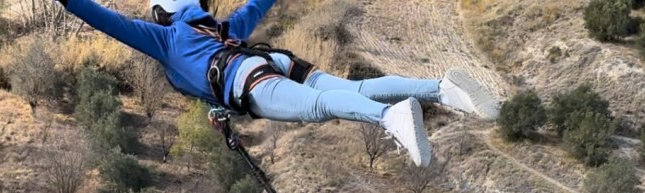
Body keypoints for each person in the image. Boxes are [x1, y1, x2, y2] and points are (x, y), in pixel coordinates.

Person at [57, 0, 500, 167]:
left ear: (159, 14)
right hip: (275, 62)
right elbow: (260, 1)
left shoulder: (165, 38)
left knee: (317, 107)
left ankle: (390, 119)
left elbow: (100, 17)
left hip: (248, 79)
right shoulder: (223, 25)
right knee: (352, 91)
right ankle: (439, 88)